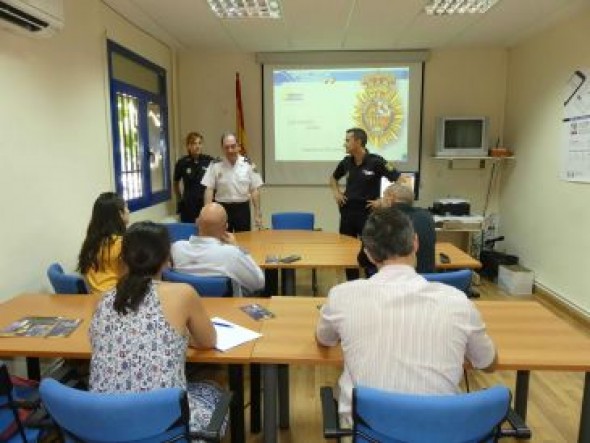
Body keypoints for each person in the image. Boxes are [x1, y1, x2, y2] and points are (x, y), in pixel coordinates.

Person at [316, 207, 497, 426]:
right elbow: (488, 363)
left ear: (368, 254)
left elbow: (324, 339)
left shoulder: (342, 296)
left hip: (367, 433)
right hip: (442, 432)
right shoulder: (457, 301)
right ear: (415, 243)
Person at [89, 221, 226, 434]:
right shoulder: (183, 293)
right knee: (214, 391)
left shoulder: (104, 300)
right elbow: (208, 341)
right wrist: (184, 335)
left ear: (123, 259)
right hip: (164, 427)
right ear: (166, 260)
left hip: (105, 426)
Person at [330, 127, 400, 279]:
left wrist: (384, 200)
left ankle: (371, 281)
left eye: (348, 140)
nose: (345, 144)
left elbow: (400, 180)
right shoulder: (346, 162)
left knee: (369, 250)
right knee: (347, 250)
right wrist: (336, 192)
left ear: (358, 142)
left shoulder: (376, 161)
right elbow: (333, 178)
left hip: (367, 214)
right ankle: (352, 282)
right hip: (347, 214)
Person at [171, 203, 265, 296]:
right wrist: (237, 247)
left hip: (187, 307)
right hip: (225, 309)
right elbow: (259, 283)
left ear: (196, 222)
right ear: (225, 227)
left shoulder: (177, 248)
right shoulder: (231, 253)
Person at [358, 183, 435, 275]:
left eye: (383, 197)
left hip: (389, 282)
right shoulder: (427, 217)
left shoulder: (380, 219)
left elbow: (363, 260)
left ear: (390, 199)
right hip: (426, 280)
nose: (381, 200)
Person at [201, 132, 263, 232]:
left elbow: (254, 190)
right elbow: (209, 189)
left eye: (233, 146)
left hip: (242, 208)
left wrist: (257, 212)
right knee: (222, 241)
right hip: (222, 209)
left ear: (238, 146)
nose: (230, 150)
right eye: (226, 147)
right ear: (222, 148)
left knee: (244, 241)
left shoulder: (248, 163)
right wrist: (206, 212)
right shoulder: (215, 164)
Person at [77, 192, 129, 294]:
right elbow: (128, 279)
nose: (129, 211)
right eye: (126, 207)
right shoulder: (121, 243)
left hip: (94, 297)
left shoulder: (91, 242)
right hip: (116, 299)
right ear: (120, 214)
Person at [173, 131, 214, 223]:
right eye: (194, 143)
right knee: (188, 232)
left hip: (204, 204)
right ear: (188, 146)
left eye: (199, 143)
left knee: (205, 232)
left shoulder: (209, 161)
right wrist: (180, 199)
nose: (197, 146)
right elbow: (176, 183)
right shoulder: (182, 162)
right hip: (188, 205)